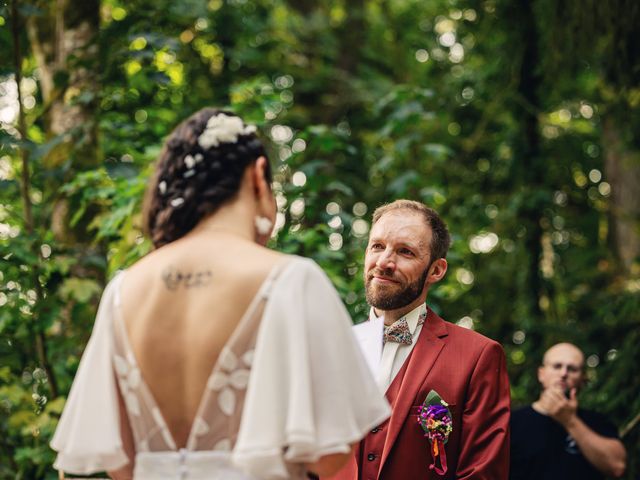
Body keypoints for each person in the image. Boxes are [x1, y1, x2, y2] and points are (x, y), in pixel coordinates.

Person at [50, 108, 390, 480]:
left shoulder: (122, 291)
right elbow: (329, 457)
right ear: (257, 175)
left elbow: (119, 461)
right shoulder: (291, 281)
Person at [328, 199, 511, 480]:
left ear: (436, 270)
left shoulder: (478, 356)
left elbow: (482, 474)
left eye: (405, 252)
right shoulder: (329, 348)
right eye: (377, 246)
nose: (384, 262)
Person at [510, 342, 626, 480]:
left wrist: (570, 421)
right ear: (541, 374)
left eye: (572, 369)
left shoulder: (596, 422)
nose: (564, 373)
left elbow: (617, 467)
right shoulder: (513, 421)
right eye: (557, 366)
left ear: (582, 378)